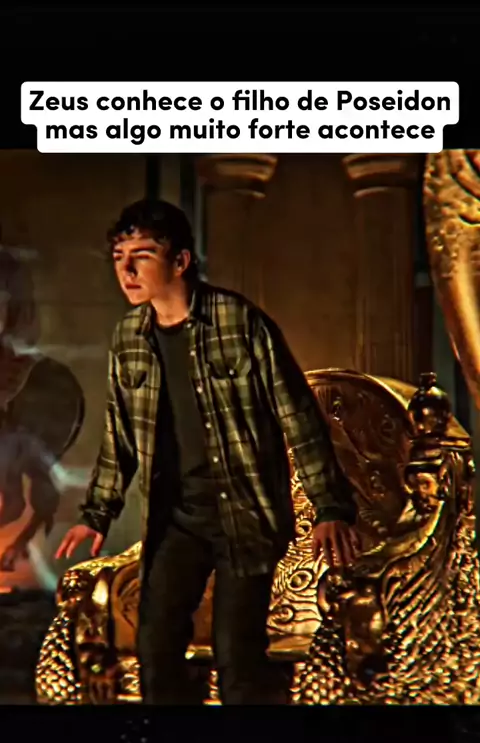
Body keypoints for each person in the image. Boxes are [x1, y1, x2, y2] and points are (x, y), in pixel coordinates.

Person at [55, 198, 360, 706]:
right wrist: (96, 514)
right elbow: (120, 434)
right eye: (119, 258)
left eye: (142, 256)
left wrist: (329, 506)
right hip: (178, 517)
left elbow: (299, 417)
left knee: (237, 657)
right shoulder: (129, 337)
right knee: (156, 647)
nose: (127, 272)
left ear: (180, 261)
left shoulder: (238, 322)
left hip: (246, 511)